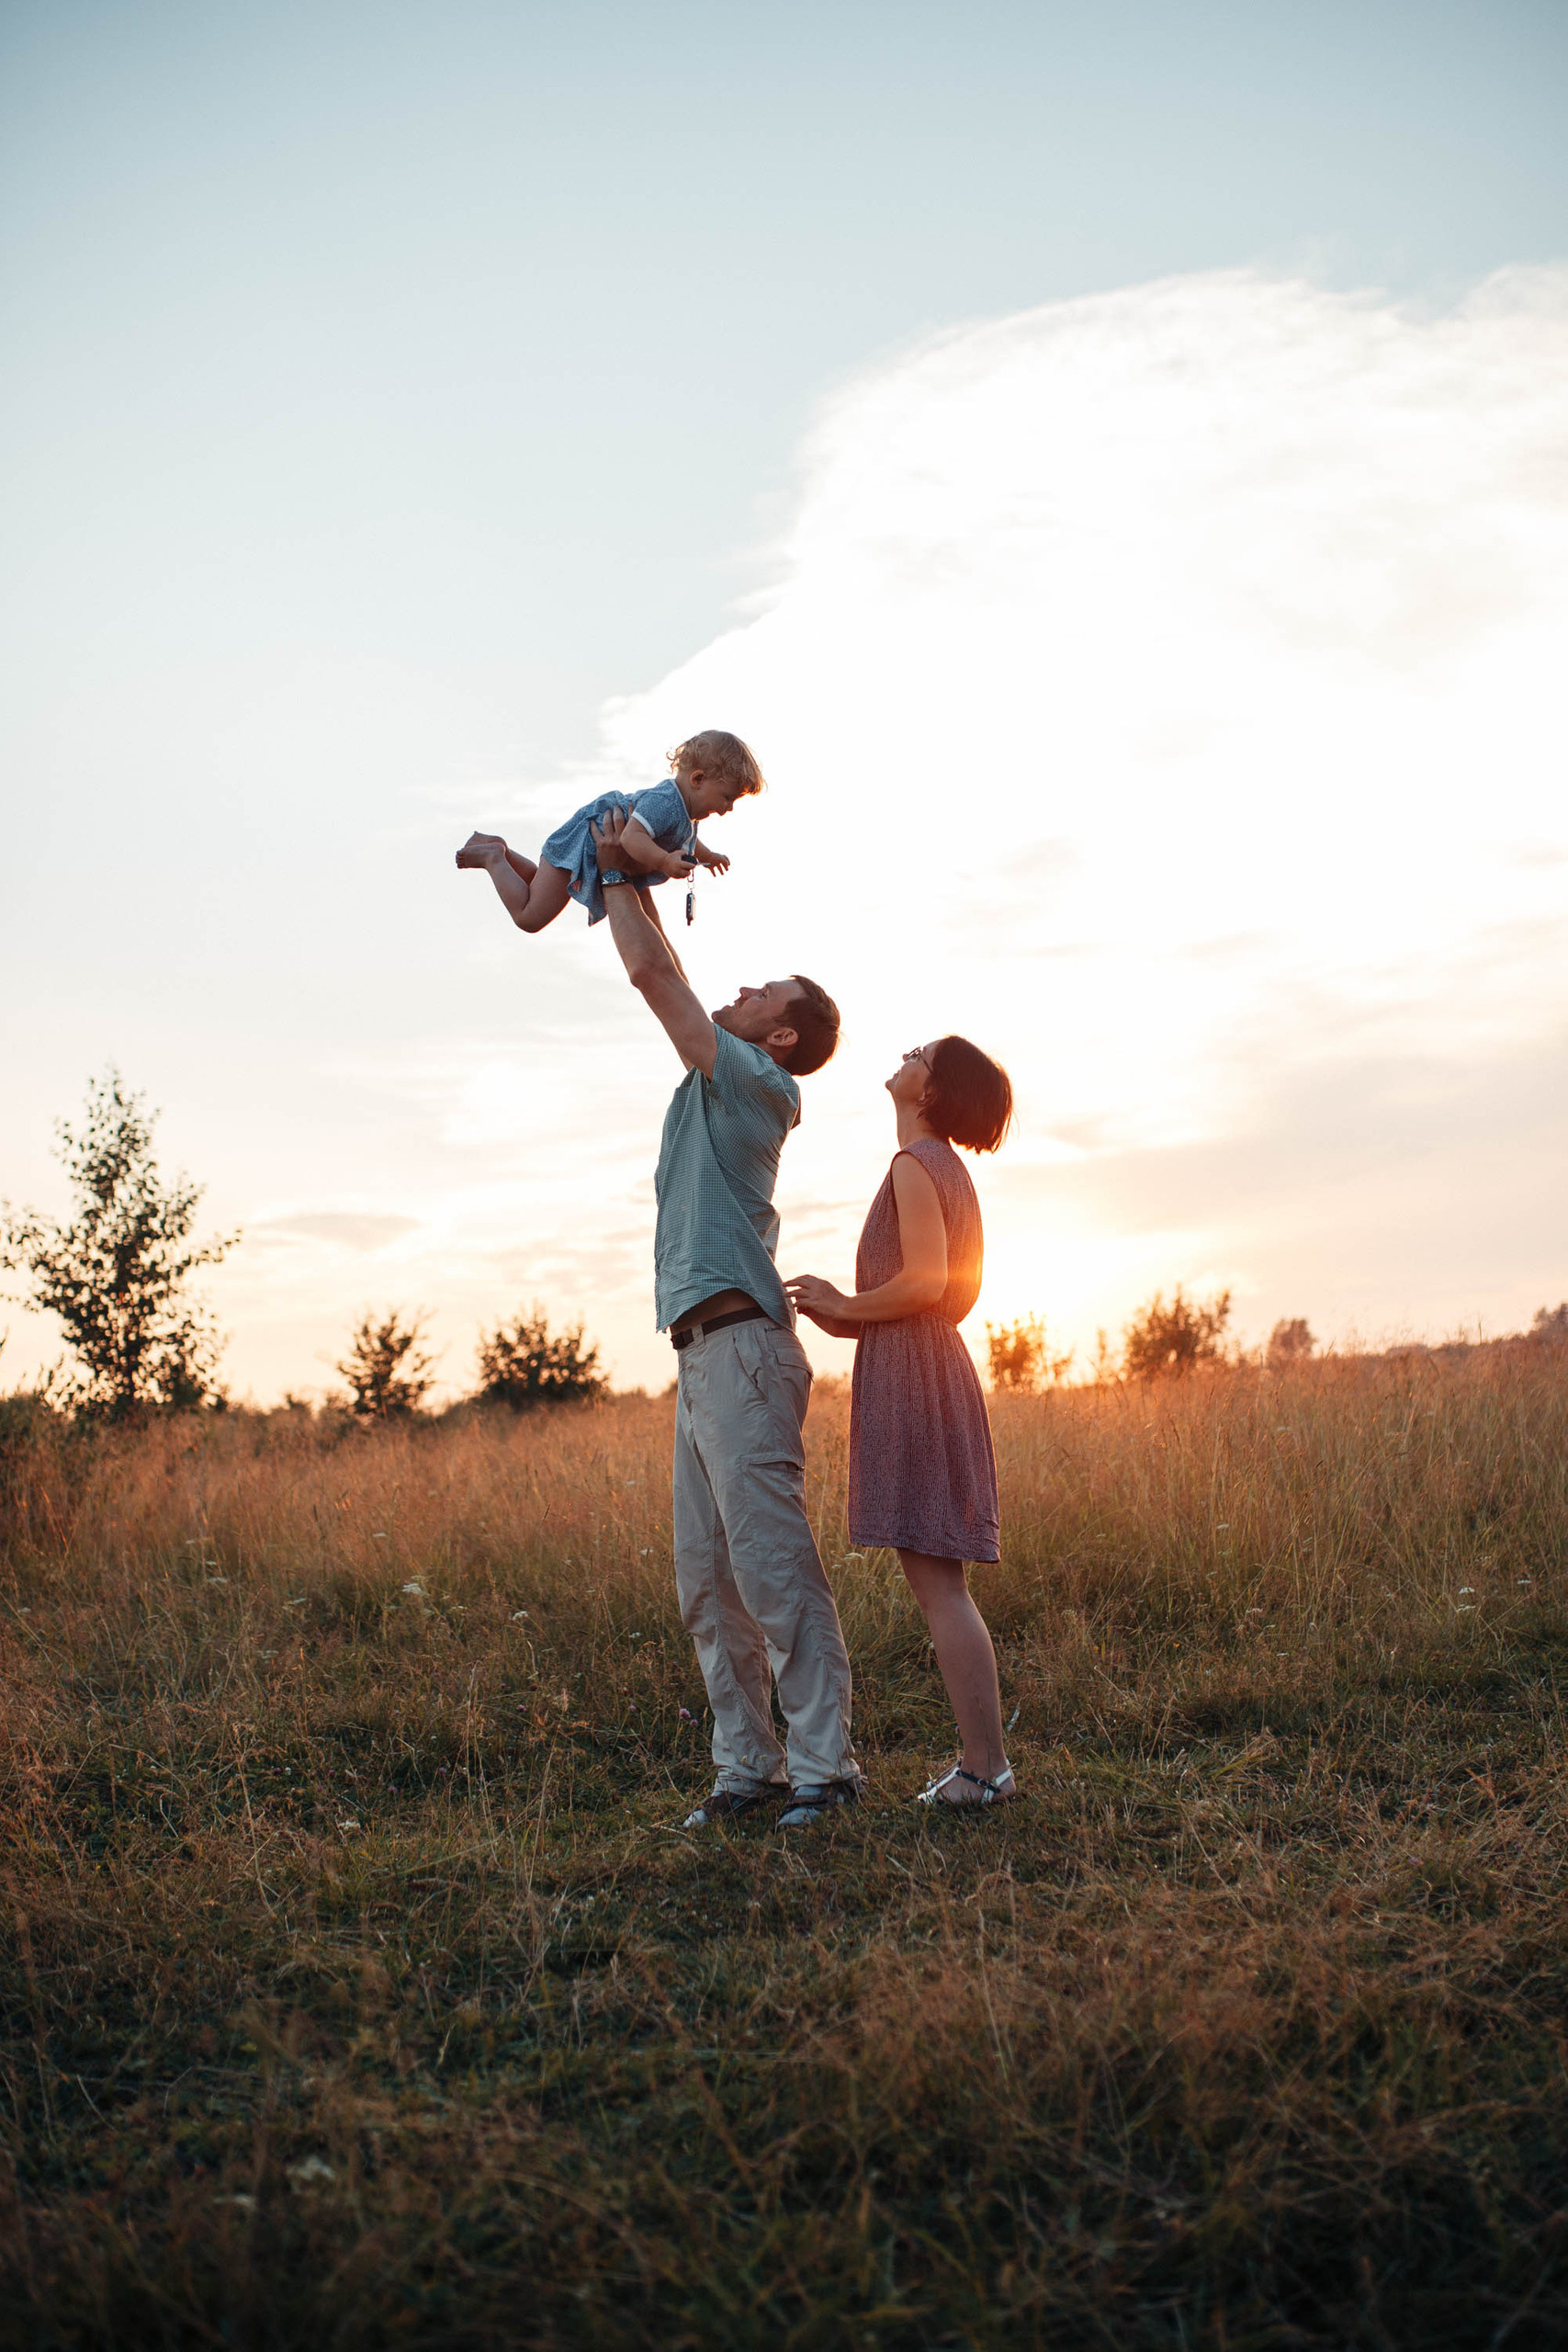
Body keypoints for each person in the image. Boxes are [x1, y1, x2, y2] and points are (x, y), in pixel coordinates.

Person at [588, 804, 863, 1832]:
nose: (741, 989)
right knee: (708, 1584)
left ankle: (827, 1772)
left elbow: (654, 979)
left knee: (774, 1572)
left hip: (743, 1350)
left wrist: (617, 872)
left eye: (763, 994)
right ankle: (749, 1774)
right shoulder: (717, 1077)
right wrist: (630, 873)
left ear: (780, 1035)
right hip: (701, 1355)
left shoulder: (757, 1082)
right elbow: (664, 966)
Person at [786, 1035, 1017, 1806]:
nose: (905, 1055)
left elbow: (924, 1282)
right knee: (942, 1584)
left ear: (931, 1090)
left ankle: (985, 1771)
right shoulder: (941, 1167)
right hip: (926, 1364)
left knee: (940, 1589)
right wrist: (846, 1316)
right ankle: (985, 1767)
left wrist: (847, 1303)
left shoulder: (914, 1163)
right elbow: (930, 1293)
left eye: (919, 1053)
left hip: (917, 1377)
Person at [454, 729, 761, 936]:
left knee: (537, 886)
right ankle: (494, 858)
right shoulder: (666, 802)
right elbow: (631, 837)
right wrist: (664, 861)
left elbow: (687, 839)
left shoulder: (684, 811)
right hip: (582, 845)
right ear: (698, 779)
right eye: (727, 797)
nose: (728, 808)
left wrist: (709, 856)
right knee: (530, 917)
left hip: (585, 850)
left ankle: (504, 853)